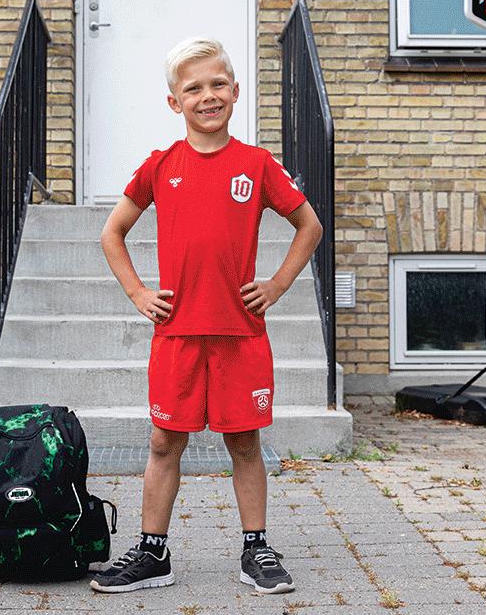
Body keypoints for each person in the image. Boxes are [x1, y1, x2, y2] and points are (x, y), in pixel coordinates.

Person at [93, 37, 323, 595]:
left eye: (217, 84)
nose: (207, 95)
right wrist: (137, 293)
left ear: (236, 92)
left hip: (240, 334)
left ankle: (255, 549)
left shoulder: (258, 165)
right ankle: (153, 553)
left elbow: (309, 227)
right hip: (177, 335)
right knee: (163, 444)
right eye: (193, 88)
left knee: (244, 443)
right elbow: (112, 232)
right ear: (176, 102)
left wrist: (275, 284)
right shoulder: (160, 166)